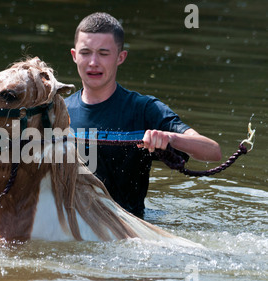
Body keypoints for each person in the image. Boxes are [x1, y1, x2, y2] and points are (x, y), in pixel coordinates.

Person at [65, 12, 221, 218]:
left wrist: (169, 138)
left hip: (128, 230)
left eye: (103, 53)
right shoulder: (57, 112)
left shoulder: (144, 109)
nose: (93, 62)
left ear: (121, 57)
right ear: (75, 55)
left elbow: (213, 152)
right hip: (70, 223)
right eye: (86, 53)